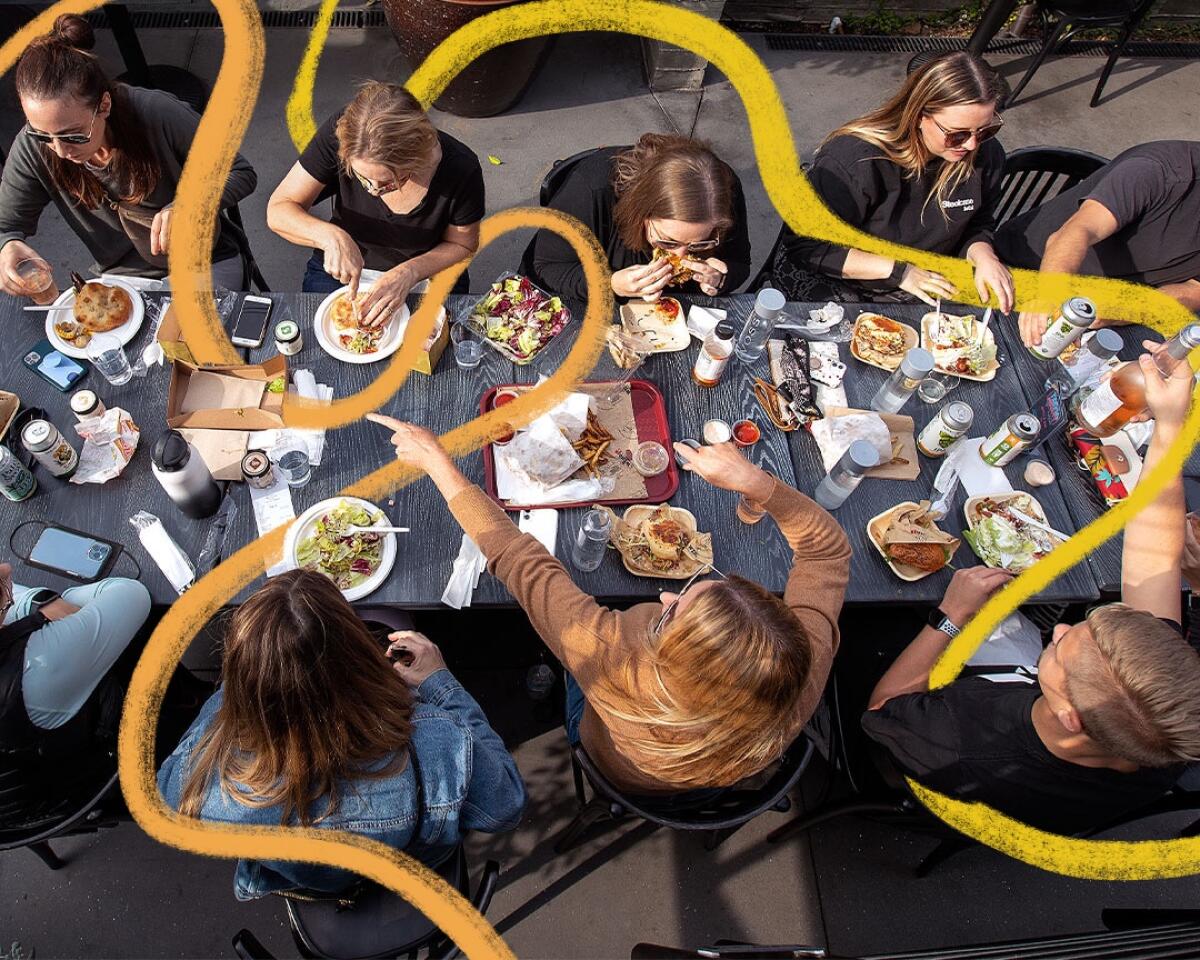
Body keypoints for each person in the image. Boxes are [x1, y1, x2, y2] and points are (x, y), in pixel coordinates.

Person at [369, 414, 851, 795]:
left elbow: (520, 561)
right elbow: (825, 551)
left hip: (615, 764)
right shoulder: (801, 662)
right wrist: (757, 485)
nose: (664, 593)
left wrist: (437, 462)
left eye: (671, 613)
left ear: (673, 657)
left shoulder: (612, 652)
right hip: (710, 781)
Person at [862, 345, 1200, 835]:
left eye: (1062, 650)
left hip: (930, 771)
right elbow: (1154, 554)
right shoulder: (1159, 716)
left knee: (888, 617)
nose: (1060, 629)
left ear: (1069, 716)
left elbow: (882, 710)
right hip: (1064, 783)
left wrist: (951, 617)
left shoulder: (970, 737)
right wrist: (1170, 427)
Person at [157, 570, 524, 900]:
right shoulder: (433, 746)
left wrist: (249, 685)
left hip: (306, 886)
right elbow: (506, 801)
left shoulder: (207, 785)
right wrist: (440, 682)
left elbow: (168, 788)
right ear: (359, 653)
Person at [0, 15, 257, 293]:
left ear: (104, 105)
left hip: (203, 264)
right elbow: (6, 224)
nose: (60, 150)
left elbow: (240, 171)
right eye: (41, 135)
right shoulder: (31, 146)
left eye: (74, 135)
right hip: (120, 278)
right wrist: (8, 246)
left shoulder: (156, 113)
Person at [769, 52, 1013, 312]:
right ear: (919, 115)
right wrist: (898, 271)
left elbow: (977, 222)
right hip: (835, 274)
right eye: (957, 134)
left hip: (918, 278)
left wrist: (984, 256)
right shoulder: (857, 160)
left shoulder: (987, 155)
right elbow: (807, 246)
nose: (972, 144)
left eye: (986, 130)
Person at [267, 81, 483, 327]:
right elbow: (279, 209)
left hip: (427, 272)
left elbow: (462, 244)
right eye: (361, 177)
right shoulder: (345, 132)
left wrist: (409, 272)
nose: (372, 190)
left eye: (388, 182)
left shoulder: (461, 168)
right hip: (346, 270)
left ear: (418, 158)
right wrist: (330, 237)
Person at [996, 141, 1200, 349]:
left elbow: (1194, 290)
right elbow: (1076, 232)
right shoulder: (1159, 170)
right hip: (1026, 272)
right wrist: (1051, 296)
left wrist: (1122, 309)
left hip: (1110, 311)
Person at [520, 134, 752, 304]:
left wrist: (721, 279)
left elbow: (739, 264)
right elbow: (547, 267)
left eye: (699, 244)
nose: (679, 257)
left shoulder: (722, 193)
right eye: (668, 242)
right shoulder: (590, 191)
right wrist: (609, 284)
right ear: (640, 212)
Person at [1, 563, 152, 819]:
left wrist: (27, 603)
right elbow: (132, 594)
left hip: (15, 794)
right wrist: (48, 602)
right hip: (81, 776)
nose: (7, 567)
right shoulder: (39, 660)